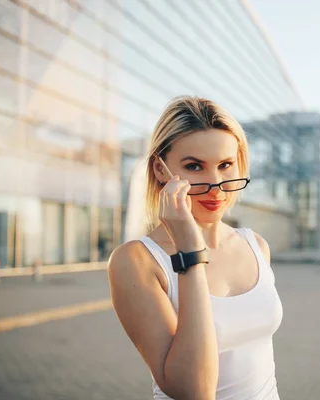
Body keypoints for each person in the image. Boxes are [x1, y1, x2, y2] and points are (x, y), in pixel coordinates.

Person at [107, 96, 284, 400]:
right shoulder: (136, 261)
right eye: (194, 167)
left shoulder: (255, 246)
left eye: (225, 165)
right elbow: (193, 390)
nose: (215, 184)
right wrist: (189, 251)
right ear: (161, 170)